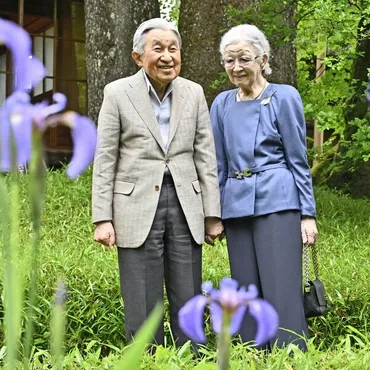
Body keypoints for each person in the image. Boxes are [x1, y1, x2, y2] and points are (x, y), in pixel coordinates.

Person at [91, 18, 223, 347]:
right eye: (158, 49)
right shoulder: (118, 93)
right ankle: (147, 357)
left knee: (187, 287)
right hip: (134, 204)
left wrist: (212, 214)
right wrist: (102, 218)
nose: (167, 56)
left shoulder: (194, 93)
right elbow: (105, 158)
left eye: (173, 49)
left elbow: (205, 155)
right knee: (141, 291)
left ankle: (191, 355)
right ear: (138, 56)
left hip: (185, 202)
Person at [210, 24, 318, 350]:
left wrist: (307, 214)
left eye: (244, 58)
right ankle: (251, 353)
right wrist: (214, 214)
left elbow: (298, 160)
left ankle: (290, 352)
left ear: (263, 58)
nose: (236, 67)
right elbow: (218, 164)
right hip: (235, 204)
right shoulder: (221, 104)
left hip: (279, 201)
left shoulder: (284, 97)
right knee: (245, 287)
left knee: (281, 284)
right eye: (229, 60)